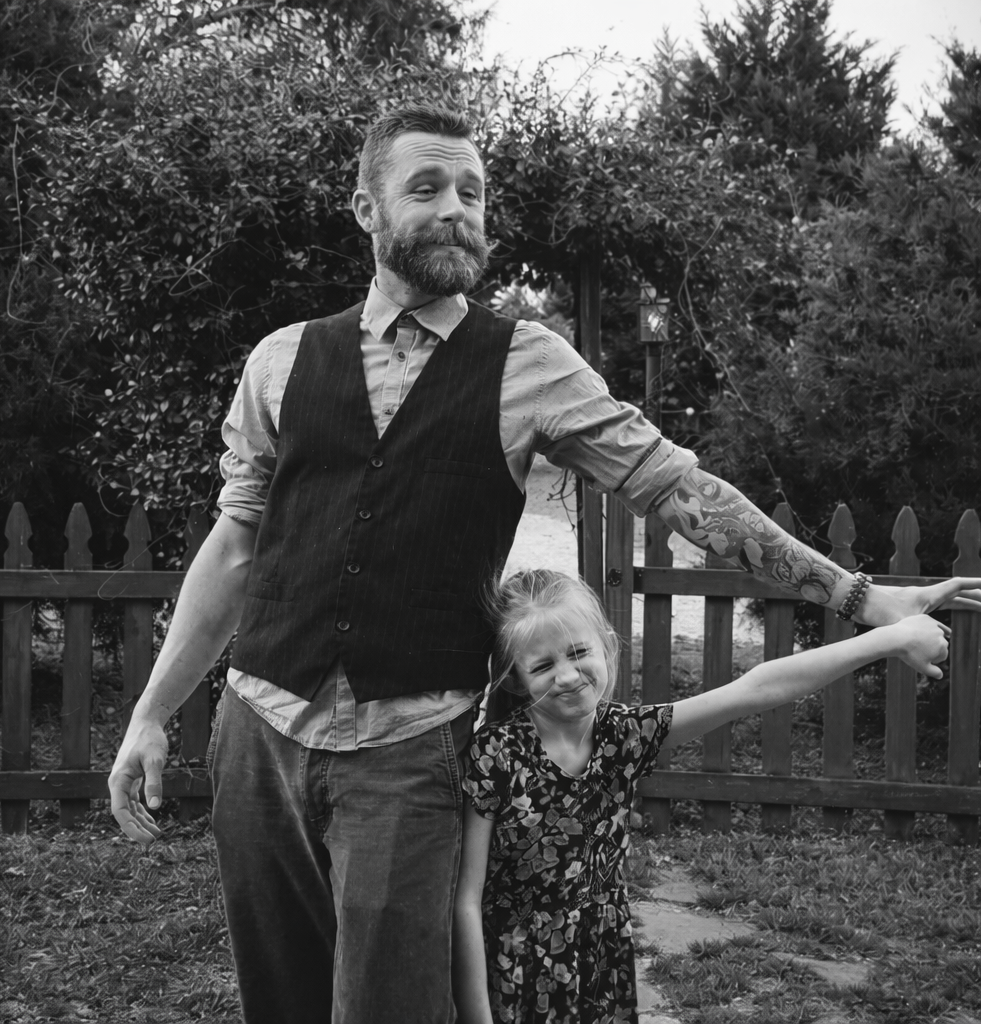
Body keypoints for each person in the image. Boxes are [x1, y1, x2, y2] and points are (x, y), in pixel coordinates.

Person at [106, 102, 981, 1024]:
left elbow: (687, 494)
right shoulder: (280, 362)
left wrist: (857, 594)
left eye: (474, 193)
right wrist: (153, 712)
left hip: (410, 753)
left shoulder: (530, 365)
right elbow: (235, 545)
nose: (457, 209)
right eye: (428, 187)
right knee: (276, 1001)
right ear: (365, 208)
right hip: (260, 734)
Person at [452, 569, 954, 1024]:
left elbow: (758, 688)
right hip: (511, 972)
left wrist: (890, 638)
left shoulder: (624, 734)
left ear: (605, 645)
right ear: (516, 679)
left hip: (599, 962)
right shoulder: (496, 754)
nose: (566, 675)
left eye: (578, 653)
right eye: (543, 666)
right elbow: (466, 901)